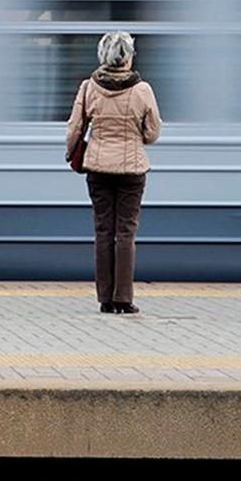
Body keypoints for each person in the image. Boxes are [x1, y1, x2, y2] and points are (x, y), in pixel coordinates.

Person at [66, 31, 162, 315]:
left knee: (103, 231)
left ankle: (105, 300)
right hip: (132, 171)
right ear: (128, 57)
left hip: (97, 168)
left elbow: (74, 127)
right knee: (126, 232)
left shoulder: (88, 87)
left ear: (102, 56)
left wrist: (71, 153)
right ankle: (123, 298)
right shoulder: (142, 90)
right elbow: (152, 133)